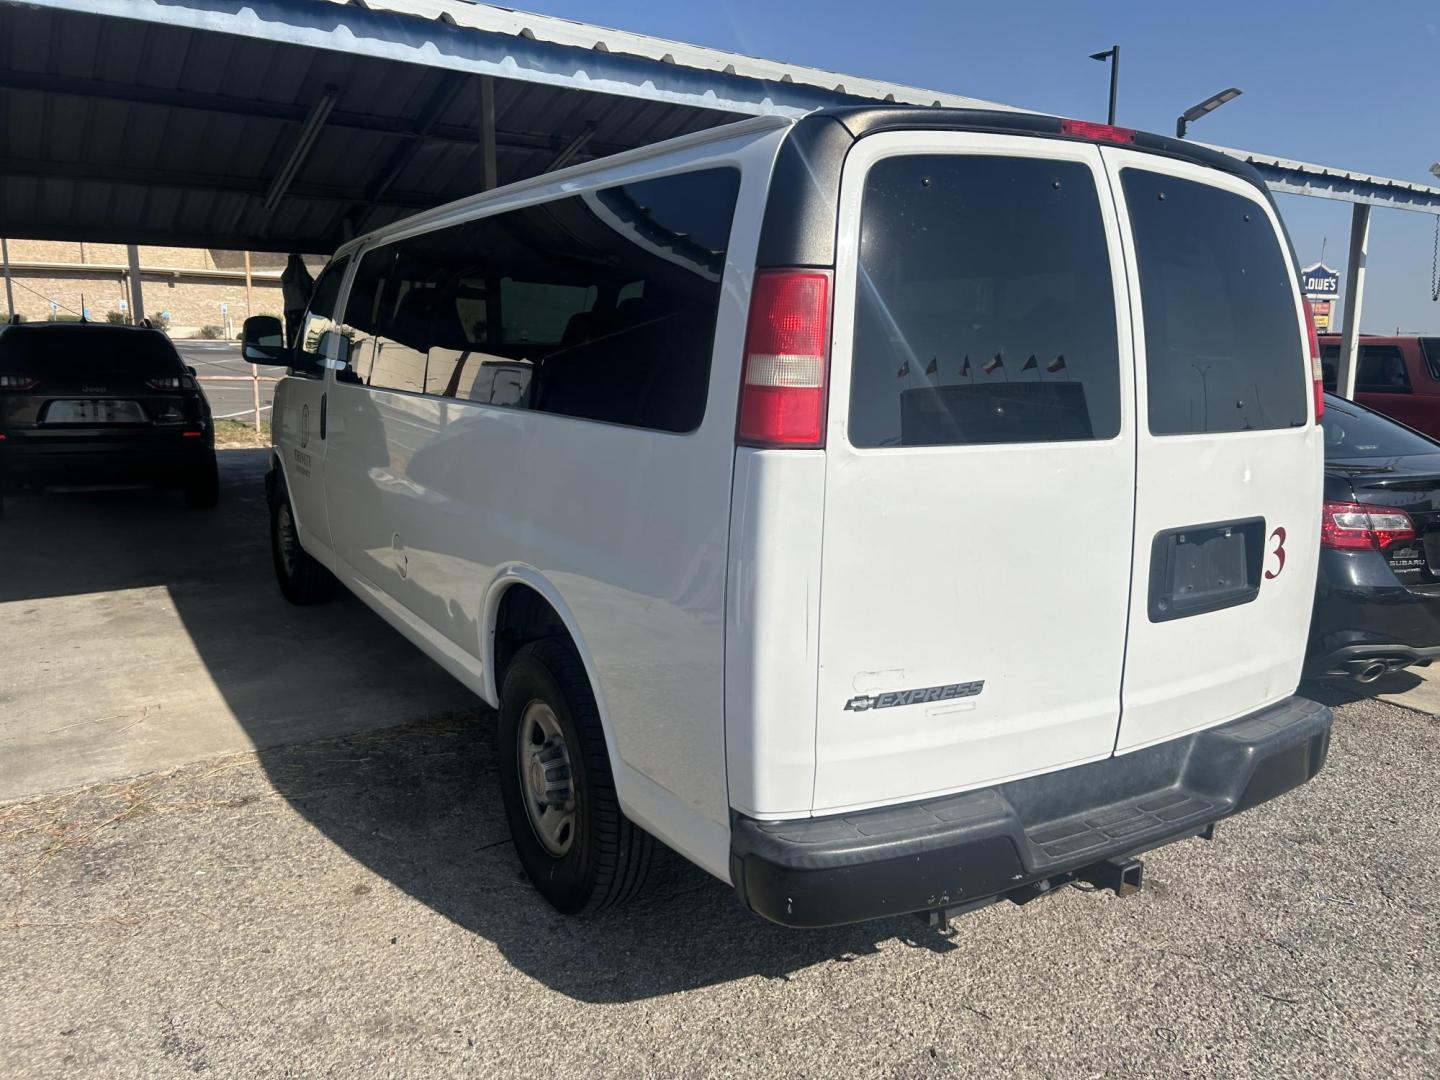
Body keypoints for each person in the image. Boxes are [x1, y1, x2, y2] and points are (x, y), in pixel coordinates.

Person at [280, 254, 315, 350]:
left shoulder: (287, 275)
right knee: (301, 338)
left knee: (294, 338)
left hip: (291, 309)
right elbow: (309, 285)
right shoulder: (298, 274)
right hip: (300, 309)